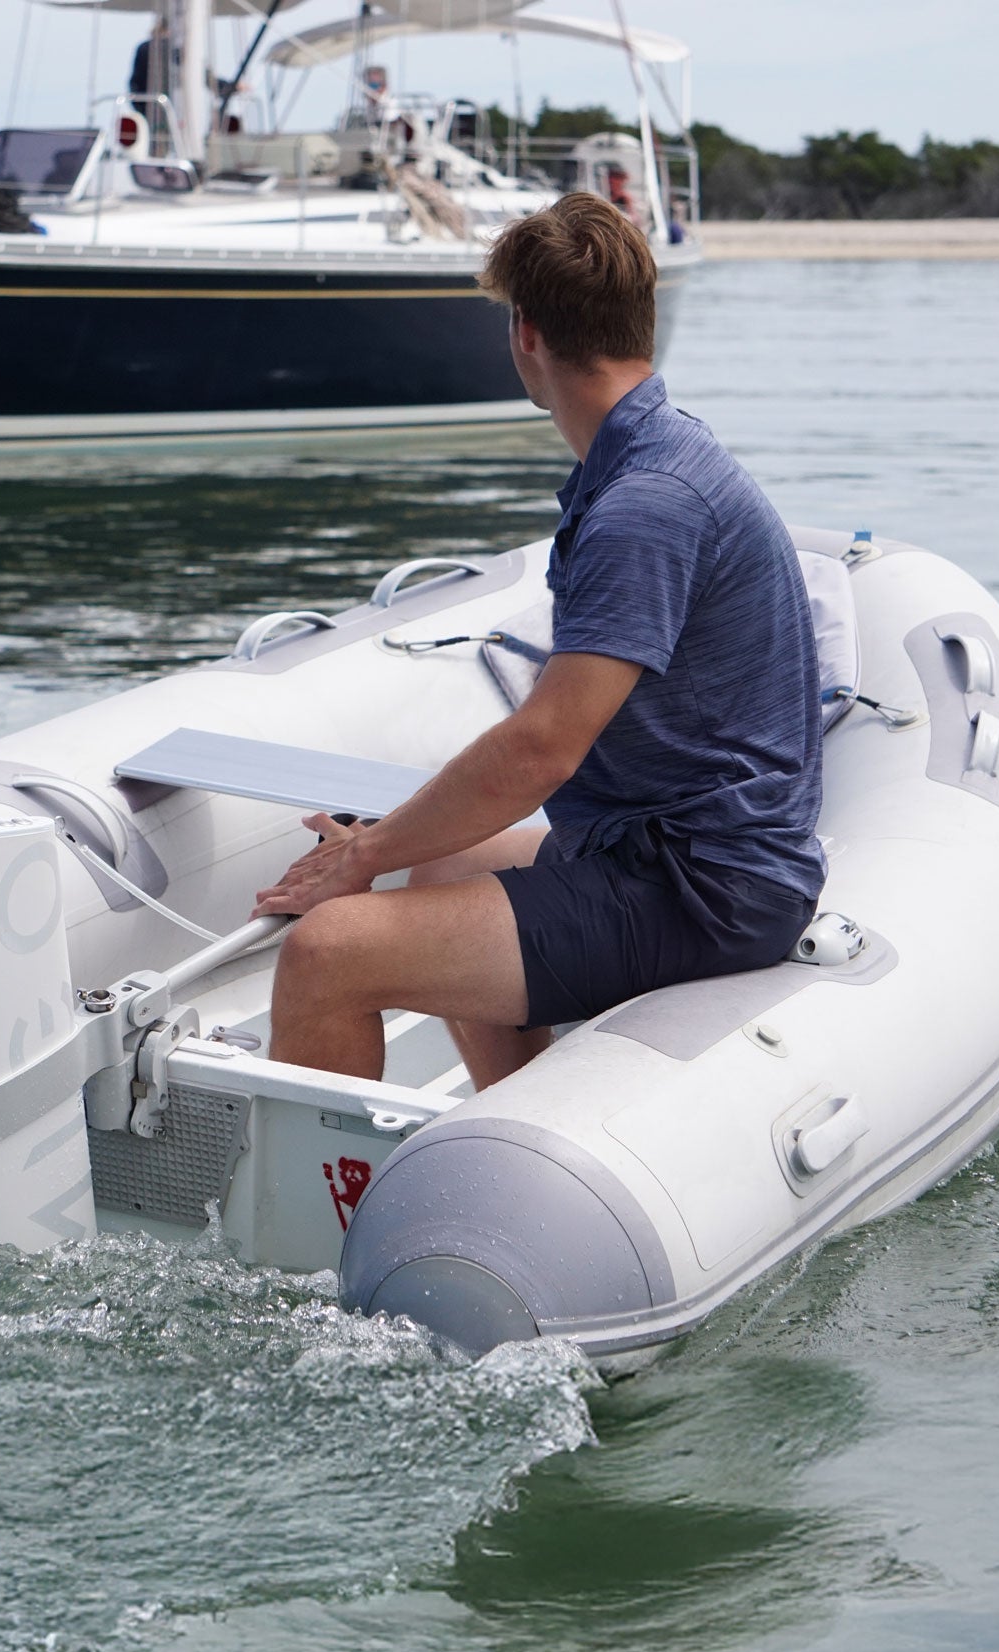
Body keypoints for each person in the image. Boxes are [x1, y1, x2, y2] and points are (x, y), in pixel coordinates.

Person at [253, 191, 822, 1086]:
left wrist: (362, 856)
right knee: (444, 858)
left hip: (702, 887)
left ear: (525, 332)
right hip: (675, 849)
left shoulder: (646, 505)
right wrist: (401, 837)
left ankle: (339, 1189)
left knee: (328, 953)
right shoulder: (660, 455)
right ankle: (512, 1109)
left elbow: (542, 749)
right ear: (641, 319)